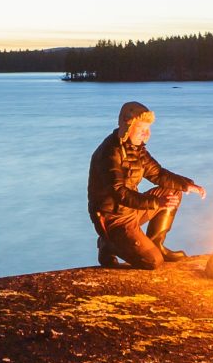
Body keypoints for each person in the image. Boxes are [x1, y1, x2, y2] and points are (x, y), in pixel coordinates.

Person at [86, 100, 205, 269]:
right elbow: (119, 192)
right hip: (113, 218)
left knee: (173, 191)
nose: (147, 134)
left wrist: (187, 185)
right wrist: (156, 202)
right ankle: (108, 243)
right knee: (153, 261)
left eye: (148, 129)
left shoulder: (137, 149)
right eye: (141, 129)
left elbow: (158, 174)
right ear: (127, 126)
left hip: (130, 210)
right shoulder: (109, 153)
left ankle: (157, 243)